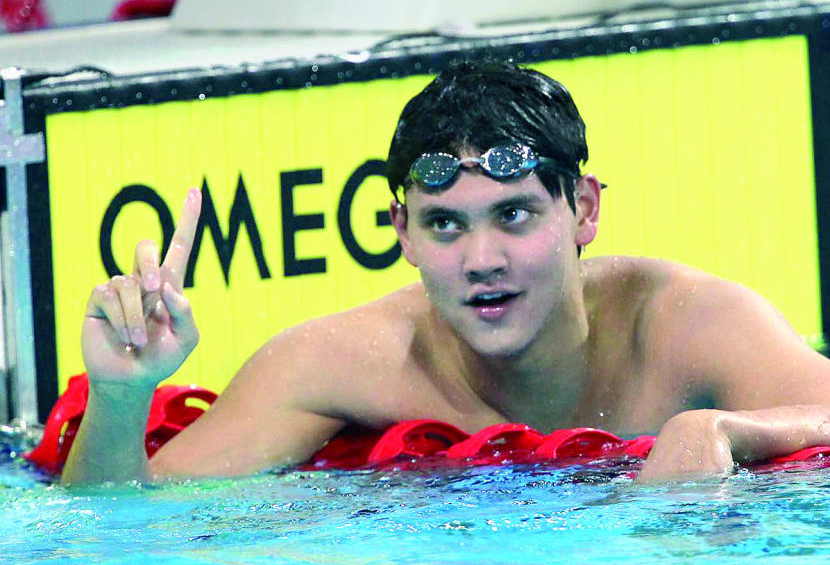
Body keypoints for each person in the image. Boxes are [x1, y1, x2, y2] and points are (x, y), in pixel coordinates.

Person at [61, 60, 830, 485]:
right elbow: (121, 525)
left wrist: (723, 428)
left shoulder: (686, 323)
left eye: (516, 215)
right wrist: (121, 398)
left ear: (585, 210)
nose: (481, 260)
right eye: (445, 224)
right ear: (402, 233)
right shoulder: (344, 362)